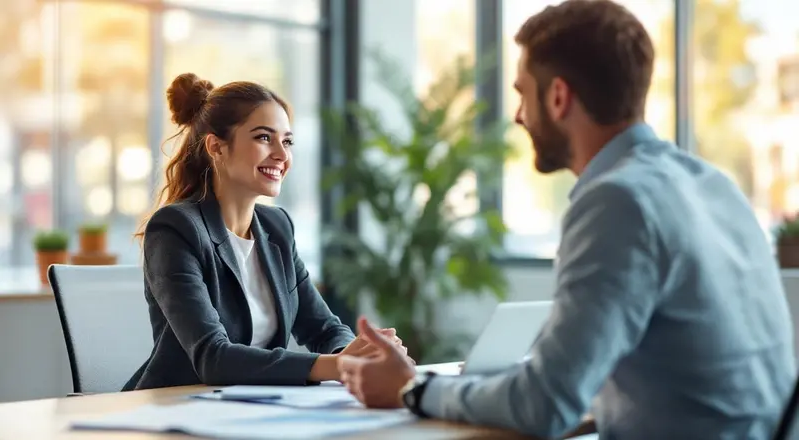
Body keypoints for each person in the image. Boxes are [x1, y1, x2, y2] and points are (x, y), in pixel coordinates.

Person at [336, 1, 797, 439]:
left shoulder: (618, 201)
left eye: (522, 94)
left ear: (558, 97)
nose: (518, 115)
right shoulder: (712, 184)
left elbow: (547, 404)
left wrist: (413, 389)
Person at [124, 73, 406, 391]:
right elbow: (213, 359)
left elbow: (323, 328)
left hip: (253, 406)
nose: (282, 155)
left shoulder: (276, 228)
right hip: (176, 409)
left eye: (287, 141)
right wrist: (340, 365)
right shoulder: (176, 229)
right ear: (216, 147)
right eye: (263, 138)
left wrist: (360, 355)